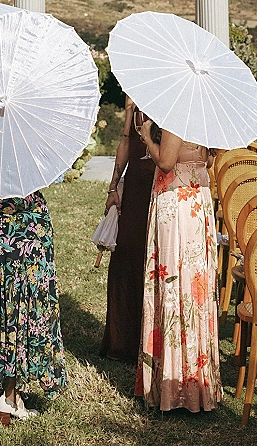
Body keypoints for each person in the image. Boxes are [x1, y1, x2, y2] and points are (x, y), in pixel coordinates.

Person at [134, 121, 222, 412]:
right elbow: (207, 159)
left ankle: (174, 384)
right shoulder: (204, 116)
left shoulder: (178, 116)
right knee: (194, 287)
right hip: (199, 202)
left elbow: (167, 161)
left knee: (174, 282)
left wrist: (147, 136)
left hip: (177, 205)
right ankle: (198, 378)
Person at [0, 191, 67, 423]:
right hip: (28, 218)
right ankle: (9, 396)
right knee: (23, 302)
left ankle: (4, 388)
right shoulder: (26, 157)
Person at [100, 97, 155, 362]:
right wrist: (114, 187)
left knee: (153, 261)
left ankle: (150, 341)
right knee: (125, 258)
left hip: (159, 188)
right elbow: (125, 141)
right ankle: (122, 341)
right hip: (133, 187)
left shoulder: (172, 98)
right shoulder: (134, 96)